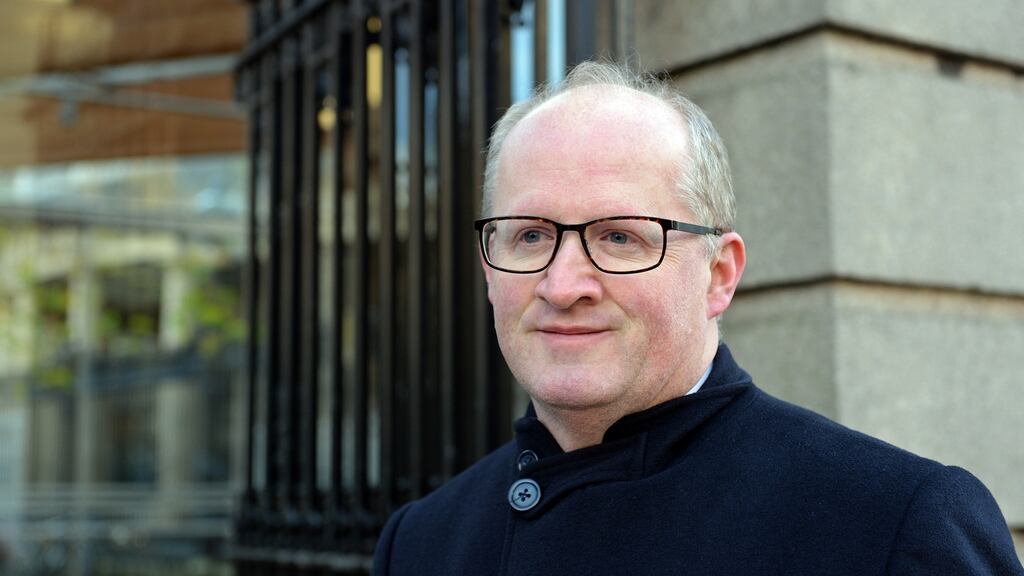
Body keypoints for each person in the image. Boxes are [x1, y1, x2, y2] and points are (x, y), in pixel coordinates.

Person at [372, 60, 1024, 575]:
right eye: (530, 236)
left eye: (620, 237)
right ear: (490, 269)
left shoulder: (893, 526)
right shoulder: (422, 543)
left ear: (719, 275)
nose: (563, 285)